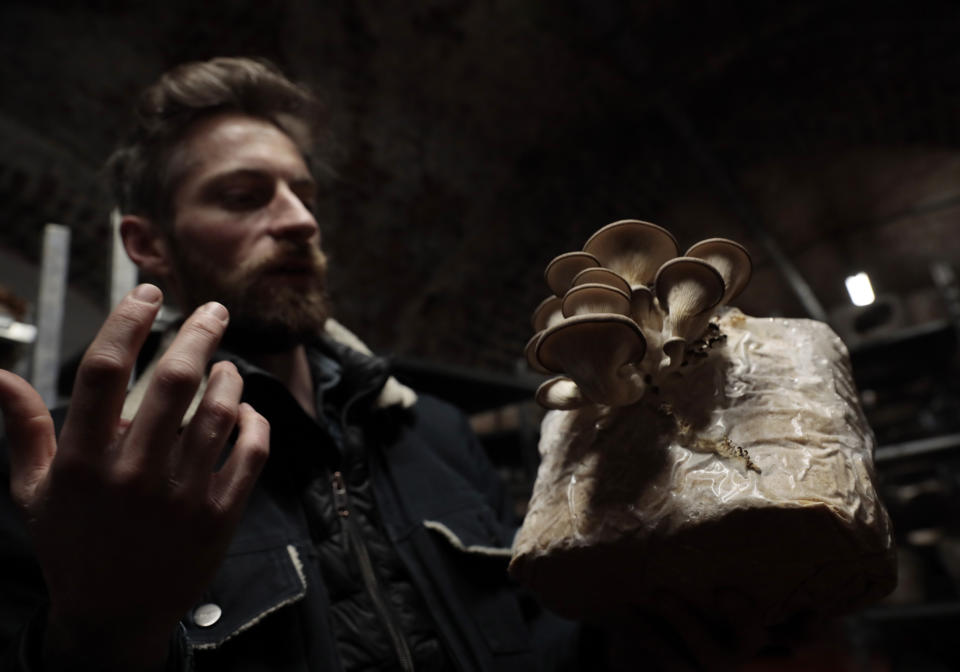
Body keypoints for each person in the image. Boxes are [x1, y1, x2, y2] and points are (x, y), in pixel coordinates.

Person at [0, 58, 594, 671]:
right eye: (242, 197)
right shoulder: (78, 472)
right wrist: (102, 639)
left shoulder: (436, 433)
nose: (300, 221)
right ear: (149, 244)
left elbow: (540, 638)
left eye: (304, 195)